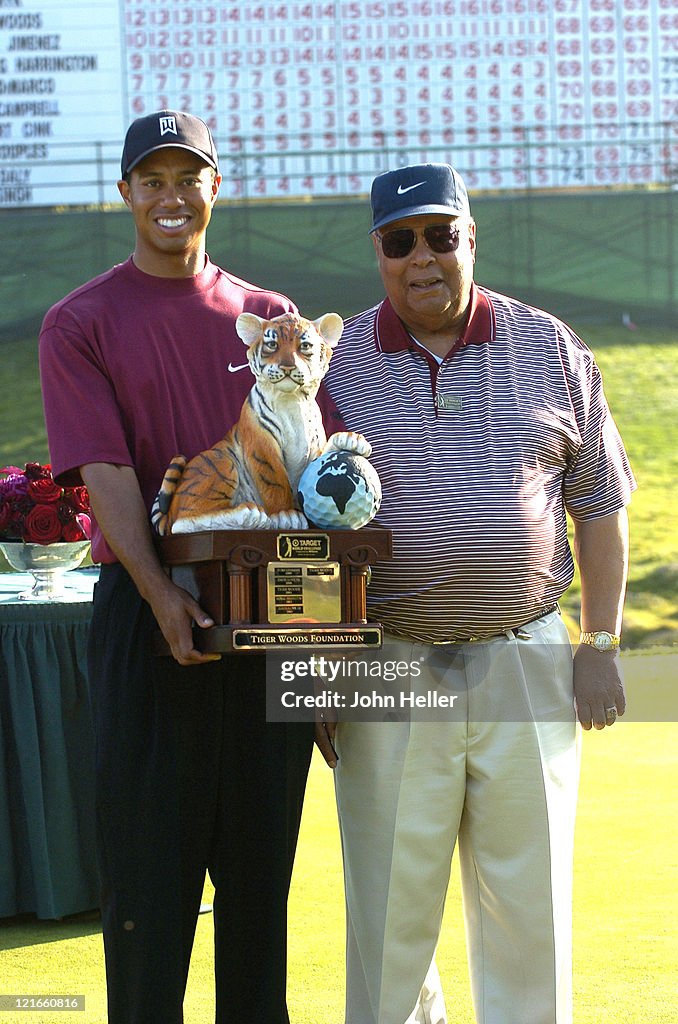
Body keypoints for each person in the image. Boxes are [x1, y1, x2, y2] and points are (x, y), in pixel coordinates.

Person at [316, 163, 635, 1024]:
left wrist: (600, 645)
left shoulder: (551, 345)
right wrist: (318, 663)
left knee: (532, 913)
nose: (422, 258)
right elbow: (302, 527)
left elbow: (601, 509)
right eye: (399, 241)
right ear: (378, 253)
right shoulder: (333, 363)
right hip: (388, 660)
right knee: (389, 917)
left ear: (470, 237)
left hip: (524, 654)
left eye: (439, 235)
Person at [39, 110, 337, 1024]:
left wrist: (316, 658)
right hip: (147, 611)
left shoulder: (272, 321)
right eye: (153, 180)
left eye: (189, 177)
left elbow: (302, 484)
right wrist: (163, 594)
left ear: (217, 186)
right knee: (149, 891)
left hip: (267, 611)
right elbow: (106, 471)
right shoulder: (80, 319)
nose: (172, 196)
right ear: (126, 193)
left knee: (259, 888)